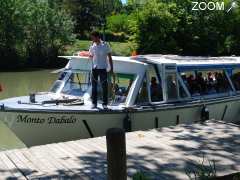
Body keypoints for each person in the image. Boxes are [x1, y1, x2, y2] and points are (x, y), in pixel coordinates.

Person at [89, 31, 113, 109]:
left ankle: (104, 104)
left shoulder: (105, 45)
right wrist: (90, 56)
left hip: (103, 68)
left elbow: (109, 57)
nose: (92, 39)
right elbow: (91, 55)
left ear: (97, 37)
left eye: (93, 37)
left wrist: (111, 68)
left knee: (104, 87)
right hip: (94, 68)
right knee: (94, 87)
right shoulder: (92, 46)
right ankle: (94, 103)